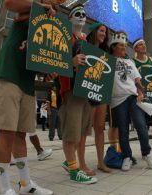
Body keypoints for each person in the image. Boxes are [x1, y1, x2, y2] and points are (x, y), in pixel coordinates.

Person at [0, 1, 64, 194]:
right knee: (7, 132)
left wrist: (47, 71)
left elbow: (39, 57)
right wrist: (38, 5)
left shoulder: (53, 20)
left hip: (27, 81)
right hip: (8, 74)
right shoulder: (33, 7)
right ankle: (5, 188)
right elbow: (9, 3)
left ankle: (25, 184)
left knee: (21, 133)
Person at [59, 4, 97, 184]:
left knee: (81, 131)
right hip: (71, 90)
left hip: (85, 91)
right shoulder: (65, 36)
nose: (82, 16)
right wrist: (71, 62)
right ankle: (74, 170)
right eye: (77, 14)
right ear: (70, 18)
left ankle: (70, 162)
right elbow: (54, 61)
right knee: (71, 131)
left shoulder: (86, 40)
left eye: (83, 14)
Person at [110, 31, 152, 171]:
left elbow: (137, 80)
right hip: (117, 99)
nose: (124, 48)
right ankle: (126, 156)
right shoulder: (108, 60)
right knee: (123, 130)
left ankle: (147, 153)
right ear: (114, 47)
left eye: (125, 45)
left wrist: (141, 92)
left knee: (141, 125)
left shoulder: (130, 62)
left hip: (133, 97)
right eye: (121, 45)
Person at [77, 22, 111, 173]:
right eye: (102, 31)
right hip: (86, 91)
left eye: (105, 32)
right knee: (85, 129)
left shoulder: (106, 52)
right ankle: (82, 164)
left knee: (99, 128)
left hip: (101, 92)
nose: (104, 34)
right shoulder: (83, 45)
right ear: (94, 31)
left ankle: (100, 162)